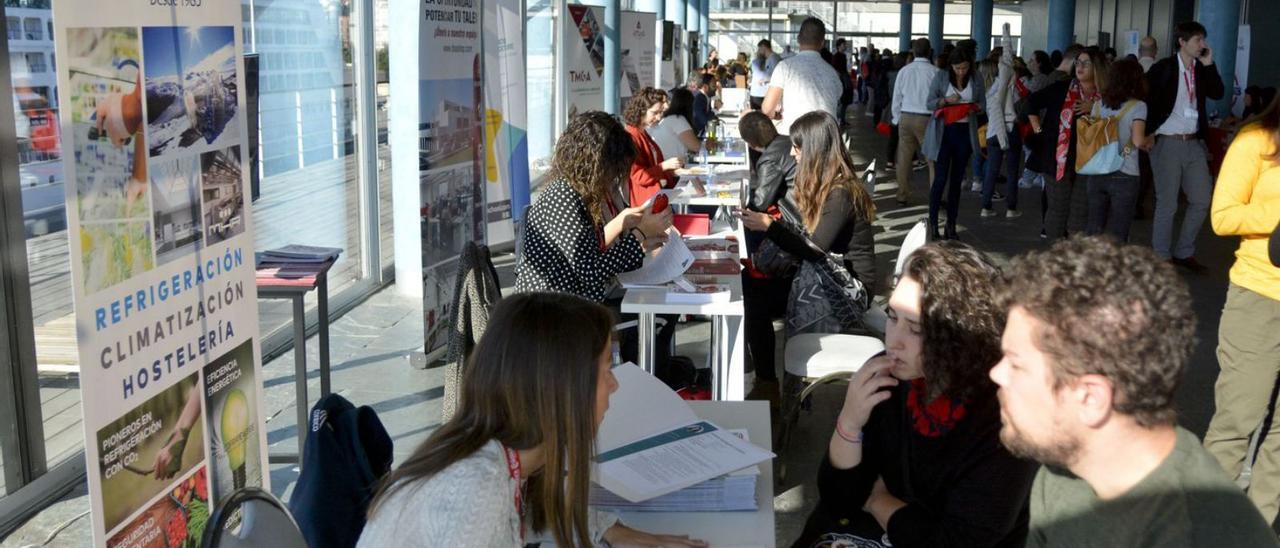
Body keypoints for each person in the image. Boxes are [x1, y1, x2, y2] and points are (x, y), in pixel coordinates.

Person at [990, 237, 1279, 547]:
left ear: (1091, 398)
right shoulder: (1064, 468)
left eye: (1016, 364)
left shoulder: (1204, 534)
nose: (996, 373)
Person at [359, 292, 706, 547]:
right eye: (604, 372)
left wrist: (613, 531)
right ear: (561, 391)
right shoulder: (472, 490)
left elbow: (544, 508)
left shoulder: (514, 453)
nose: (614, 385)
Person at [792, 241, 1037, 547]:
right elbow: (838, 498)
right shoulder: (889, 378)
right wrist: (849, 421)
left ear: (962, 336)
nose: (893, 341)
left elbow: (957, 542)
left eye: (916, 329)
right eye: (893, 317)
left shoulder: (1003, 421)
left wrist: (880, 502)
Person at [1203, 97, 1280, 524]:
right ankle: (1209, 528)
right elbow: (1223, 217)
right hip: (1260, 297)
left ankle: (1258, 529)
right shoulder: (1256, 139)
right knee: (1239, 419)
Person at [738, 110, 877, 328]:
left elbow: (813, 250)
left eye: (797, 148)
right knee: (748, 286)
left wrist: (770, 227)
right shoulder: (830, 183)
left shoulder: (840, 193)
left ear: (814, 151)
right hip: (831, 271)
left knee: (753, 299)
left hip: (848, 287)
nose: (793, 154)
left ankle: (768, 363)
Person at [515, 111, 671, 303]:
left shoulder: (573, 191)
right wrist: (640, 234)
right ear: (596, 165)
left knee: (659, 303)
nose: (613, 177)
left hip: (570, 303)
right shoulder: (563, 195)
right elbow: (591, 272)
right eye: (613, 170)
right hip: (555, 312)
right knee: (659, 305)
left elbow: (589, 253)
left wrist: (640, 245)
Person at [1146, 21, 1224, 272]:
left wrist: (1209, 64)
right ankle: (1161, 255)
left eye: (1203, 39)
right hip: (1167, 142)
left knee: (1202, 199)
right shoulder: (1165, 68)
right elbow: (1144, 96)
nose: (1202, 44)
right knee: (1167, 203)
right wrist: (1146, 131)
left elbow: (1218, 93)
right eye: (1198, 40)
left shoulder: (1201, 69)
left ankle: (1183, 252)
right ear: (1182, 42)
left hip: (1193, 143)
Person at [738, 111, 799, 399]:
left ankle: (765, 382)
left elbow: (760, 203)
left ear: (750, 142)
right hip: (799, 239)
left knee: (751, 292)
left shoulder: (770, 158)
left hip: (798, 250)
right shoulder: (788, 144)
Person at [1025, 45, 1103, 241]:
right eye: (1078, 62)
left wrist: (1094, 108)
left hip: (1089, 162)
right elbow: (1030, 103)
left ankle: (1073, 259)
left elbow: (1116, 120)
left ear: (1098, 68)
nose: (1080, 67)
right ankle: (1055, 258)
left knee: (1079, 214)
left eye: (1086, 63)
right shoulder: (1062, 88)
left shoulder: (1105, 96)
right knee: (1057, 210)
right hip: (1057, 159)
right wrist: (1039, 132)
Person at [1080, 58, 1149, 242]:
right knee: (1118, 233)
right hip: (1125, 175)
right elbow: (1137, 140)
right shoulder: (1139, 106)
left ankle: (1087, 268)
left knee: (1093, 229)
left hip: (1097, 172)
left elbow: (1091, 137)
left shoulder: (1098, 104)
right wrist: (1149, 142)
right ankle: (1113, 269)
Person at [925, 47, 985, 240]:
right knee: (940, 179)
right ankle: (933, 224)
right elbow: (929, 103)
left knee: (957, 181)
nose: (961, 71)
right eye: (958, 68)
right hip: (944, 132)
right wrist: (945, 100)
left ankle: (951, 225)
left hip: (964, 132)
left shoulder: (976, 78)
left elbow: (983, 105)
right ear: (951, 66)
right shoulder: (942, 77)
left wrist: (972, 108)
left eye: (965, 67)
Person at [761, 17, 843, 136]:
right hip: (827, 141)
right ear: (823, 43)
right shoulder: (833, 74)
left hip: (795, 142)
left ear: (798, 39)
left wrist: (776, 114)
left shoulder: (785, 67)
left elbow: (767, 109)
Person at [892, 38, 941, 205]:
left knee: (904, 158)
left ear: (913, 51)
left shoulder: (904, 71)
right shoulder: (935, 72)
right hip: (926, 118)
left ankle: (902, 195)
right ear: (930, 51)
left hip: (906, 116)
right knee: (932, 160)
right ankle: (935, 196)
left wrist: (897, 117)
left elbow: (897, 97)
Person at [981, 27, 1022, 220]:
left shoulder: (985, 89)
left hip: (992, 132)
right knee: (1013, 171)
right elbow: (1007, 55)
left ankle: (985, 206)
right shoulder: (1006, 83)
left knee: (991, 170)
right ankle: (1011, 209)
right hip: (1011, 128)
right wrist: (1006, 33)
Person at [623, 88, 682, 206]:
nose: (659, 117)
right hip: (646, 201)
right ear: (641, 110)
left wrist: (671, 171)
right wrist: (664, 166)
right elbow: (640, 176)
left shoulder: (642, 132)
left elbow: (653, 166)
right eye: (655, 113)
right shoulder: (632, 136)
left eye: (660, 113)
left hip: (654, 197)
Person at [648, 88, 701, 161]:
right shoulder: (677, 119)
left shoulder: (667, 119)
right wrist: (707, 145)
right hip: (672, 166)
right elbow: (695, 146)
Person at [750, 39, 783, 111]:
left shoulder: (774, 58)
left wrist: (764, 79)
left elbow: (778, 75)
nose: (758, 51)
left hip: (767, 93)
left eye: (759, 48)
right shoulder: (768, 59)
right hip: (764, 92)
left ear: (763, 47)